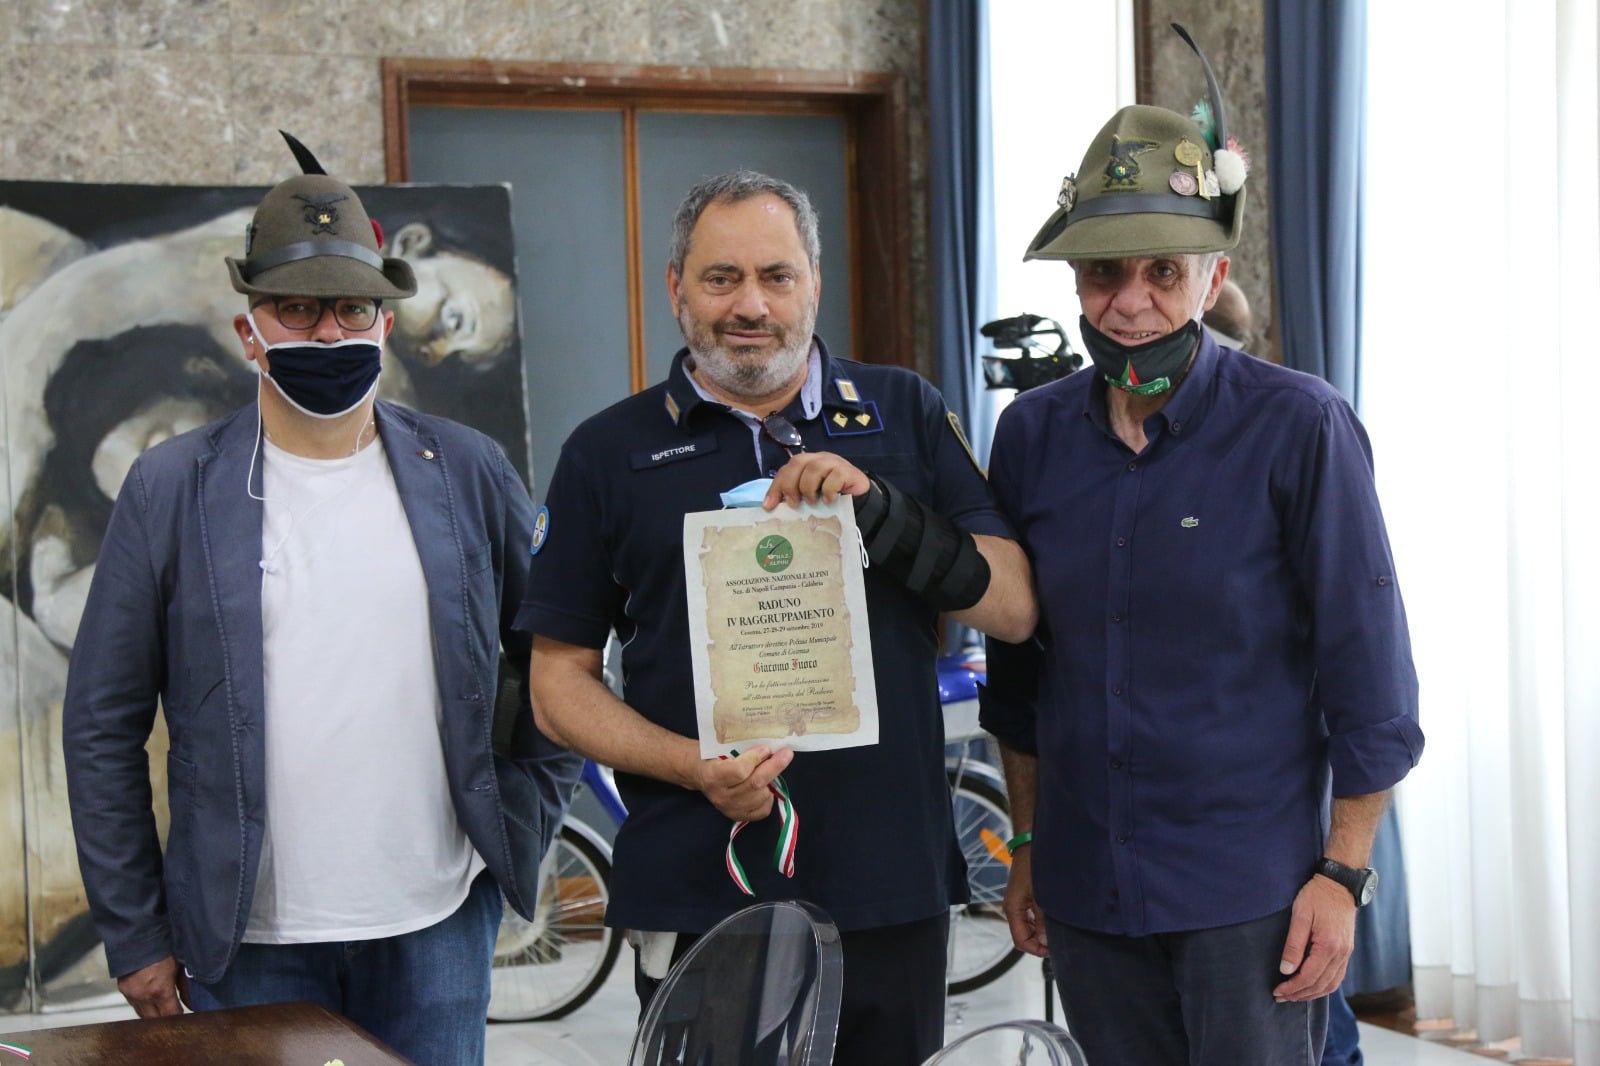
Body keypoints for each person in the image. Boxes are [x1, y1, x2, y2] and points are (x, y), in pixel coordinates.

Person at [61, 134, 580, 1064]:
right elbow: (102, 721)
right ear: (249, 332)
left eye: (351, 308)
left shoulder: (465, 470)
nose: (329, 334)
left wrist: (523, 823)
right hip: (248, 940)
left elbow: (556, 657)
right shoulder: (172, 487)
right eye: (297, 310)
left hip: (437, 925)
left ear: (385, 323)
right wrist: (135, 932)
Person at [519, 170, 1036, 1065]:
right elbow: (556, 682)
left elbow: (1016, 608)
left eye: (776, 276)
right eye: (721, 278)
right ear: (677, 288)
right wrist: (691, 765)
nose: (750, 305)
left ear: (813, 284)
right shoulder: (607, 451)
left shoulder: (905, 411)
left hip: (888, 882)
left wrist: (884, 513)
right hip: (697, 880)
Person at [979, 59, 1424, 1066]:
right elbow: (1020, 677)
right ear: (1075, 281)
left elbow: (1371, 679)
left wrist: (1342, 876)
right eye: (1104, 273)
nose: (1129, 303)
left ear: (1213, 279)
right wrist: (1029, 843)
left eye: (1163, 273)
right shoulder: (1032, 436)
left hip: (1250, 897)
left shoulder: (1300, 427)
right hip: (1087, 891)